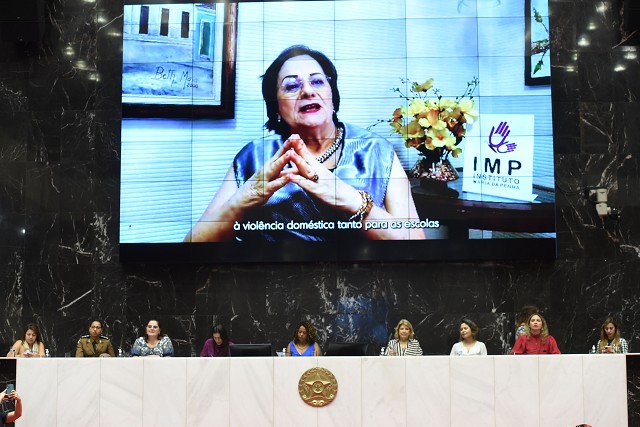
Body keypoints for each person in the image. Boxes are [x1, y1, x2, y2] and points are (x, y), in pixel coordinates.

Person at [185, 45, 425, 242]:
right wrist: (244, 198)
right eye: (292, 86)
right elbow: (192, 246)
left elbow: (416, 243)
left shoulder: (376, 150)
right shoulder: (254, 157)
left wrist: (353, 202)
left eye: (318, 82)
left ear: (333, 95)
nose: (308, 91)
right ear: (276, 109)